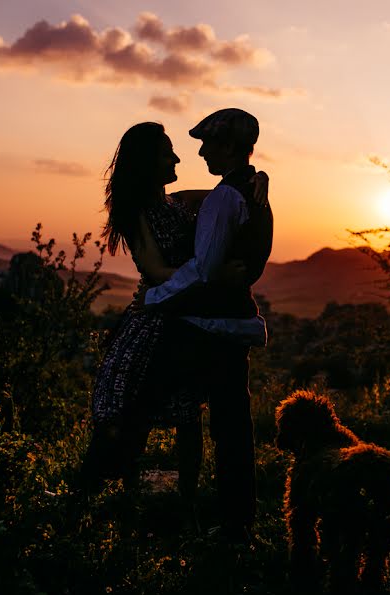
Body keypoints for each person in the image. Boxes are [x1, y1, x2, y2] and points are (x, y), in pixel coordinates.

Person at [78, 121, 268, 521]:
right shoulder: (137, 214)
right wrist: (211, 274)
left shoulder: (178, 202)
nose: (180, 156)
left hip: (184, 314)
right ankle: (103, 494)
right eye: (168, 152)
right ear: (149, 163)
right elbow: (155, 269)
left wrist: (259, 181)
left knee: (185, 416)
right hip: (156, 316)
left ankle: (179, 501)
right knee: (131, 406)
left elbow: (229, 194)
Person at [141, 108, 273, 543]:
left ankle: (219, 523)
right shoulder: (252, 193)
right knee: (233, 423)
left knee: (142, 403)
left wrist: (156, 298)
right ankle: (239, 521)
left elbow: (205, 269)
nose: (198, 151)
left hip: (210, 326)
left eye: (208, 143)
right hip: (234, 322)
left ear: (229, 147)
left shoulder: (225, 199)